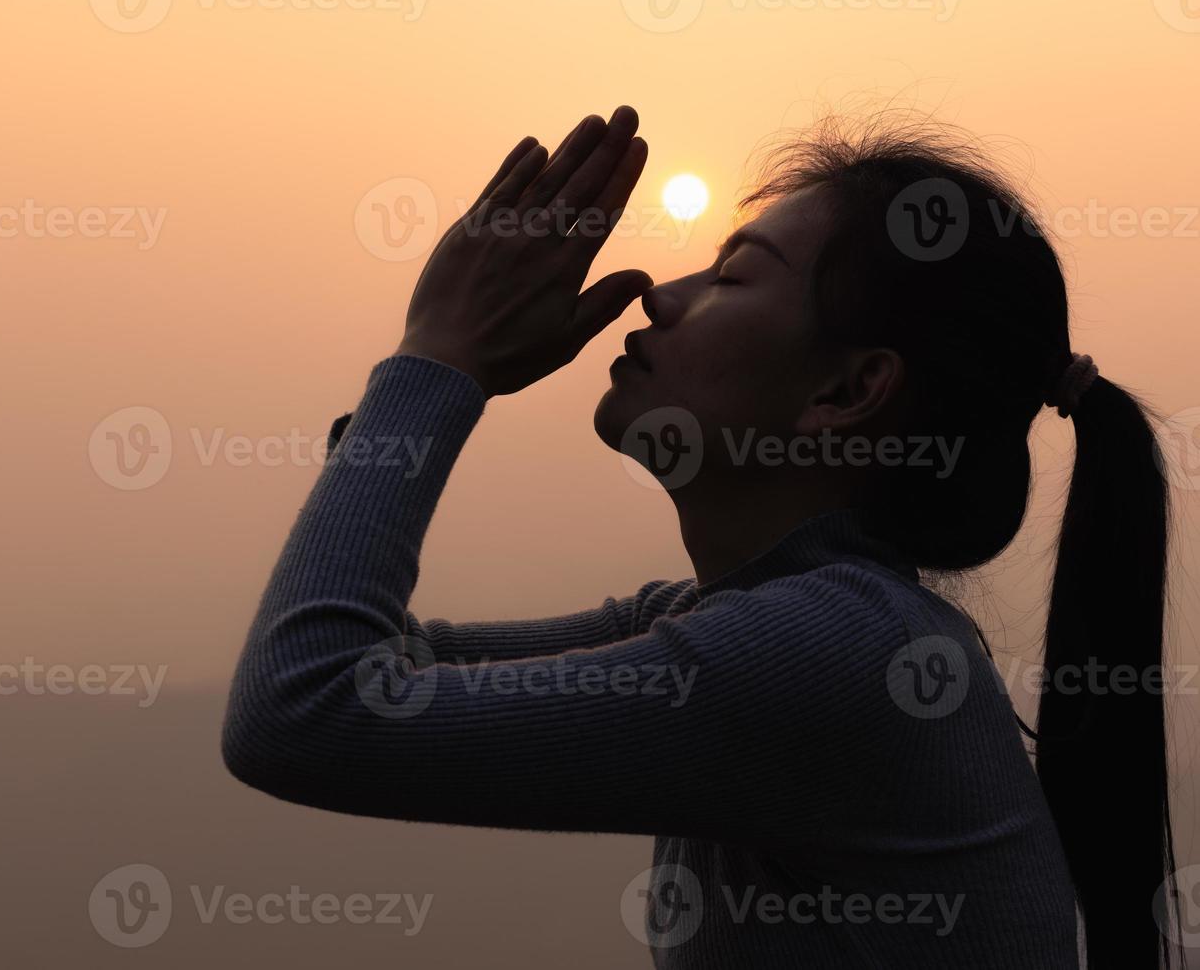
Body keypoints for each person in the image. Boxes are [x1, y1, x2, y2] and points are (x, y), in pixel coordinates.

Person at [222, 105, 1183, 969]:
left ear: (847, 392)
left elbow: (307, 707)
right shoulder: (764, 628)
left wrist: (435, 361)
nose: (658, 294)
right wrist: (432, 372)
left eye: (733, 275)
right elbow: (367, 663)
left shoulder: (837, 653)